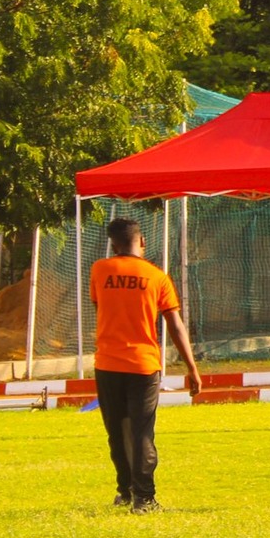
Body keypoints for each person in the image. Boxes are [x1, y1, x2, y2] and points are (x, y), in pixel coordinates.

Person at [90, 216, 203, 512]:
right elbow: (175, 325)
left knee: (117, 431)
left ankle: (125, 491)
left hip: (107, 364)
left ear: (112, 244)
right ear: (141, 241)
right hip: (143, 364)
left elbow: (99, 305)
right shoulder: (157, 277)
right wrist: (192, 368)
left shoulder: (100, 270)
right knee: (141, 432)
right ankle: (144, 497)